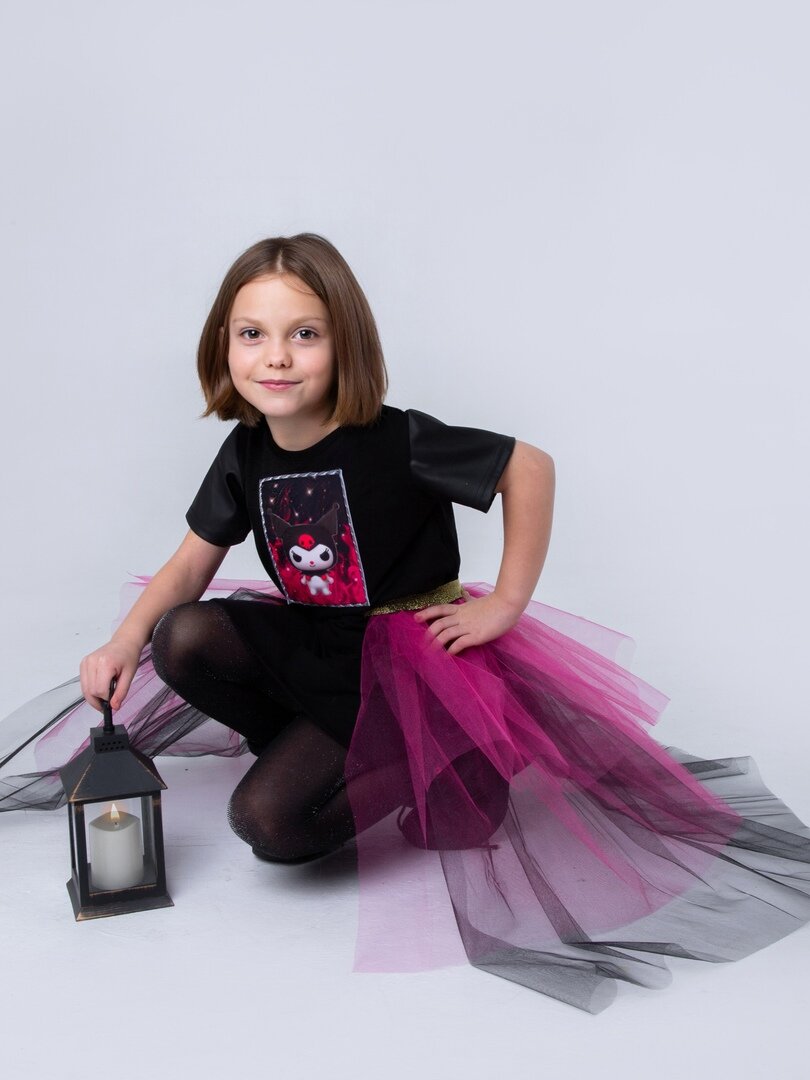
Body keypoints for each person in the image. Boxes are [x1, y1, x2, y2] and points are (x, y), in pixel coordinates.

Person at [2, 233, 810, 1014]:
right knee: (180, 634)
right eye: (252, 335)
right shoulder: (246, 451)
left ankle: (439, 756)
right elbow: (188, 566)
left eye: (304, 334)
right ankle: (318, 743)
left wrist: (506, 602)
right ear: (224, 345)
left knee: (268, 825)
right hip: (319, 644)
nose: (276, 357)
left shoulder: (396, 440)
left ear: (344, 342)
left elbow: (528, 467)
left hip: (405, 664)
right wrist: (122, 640)